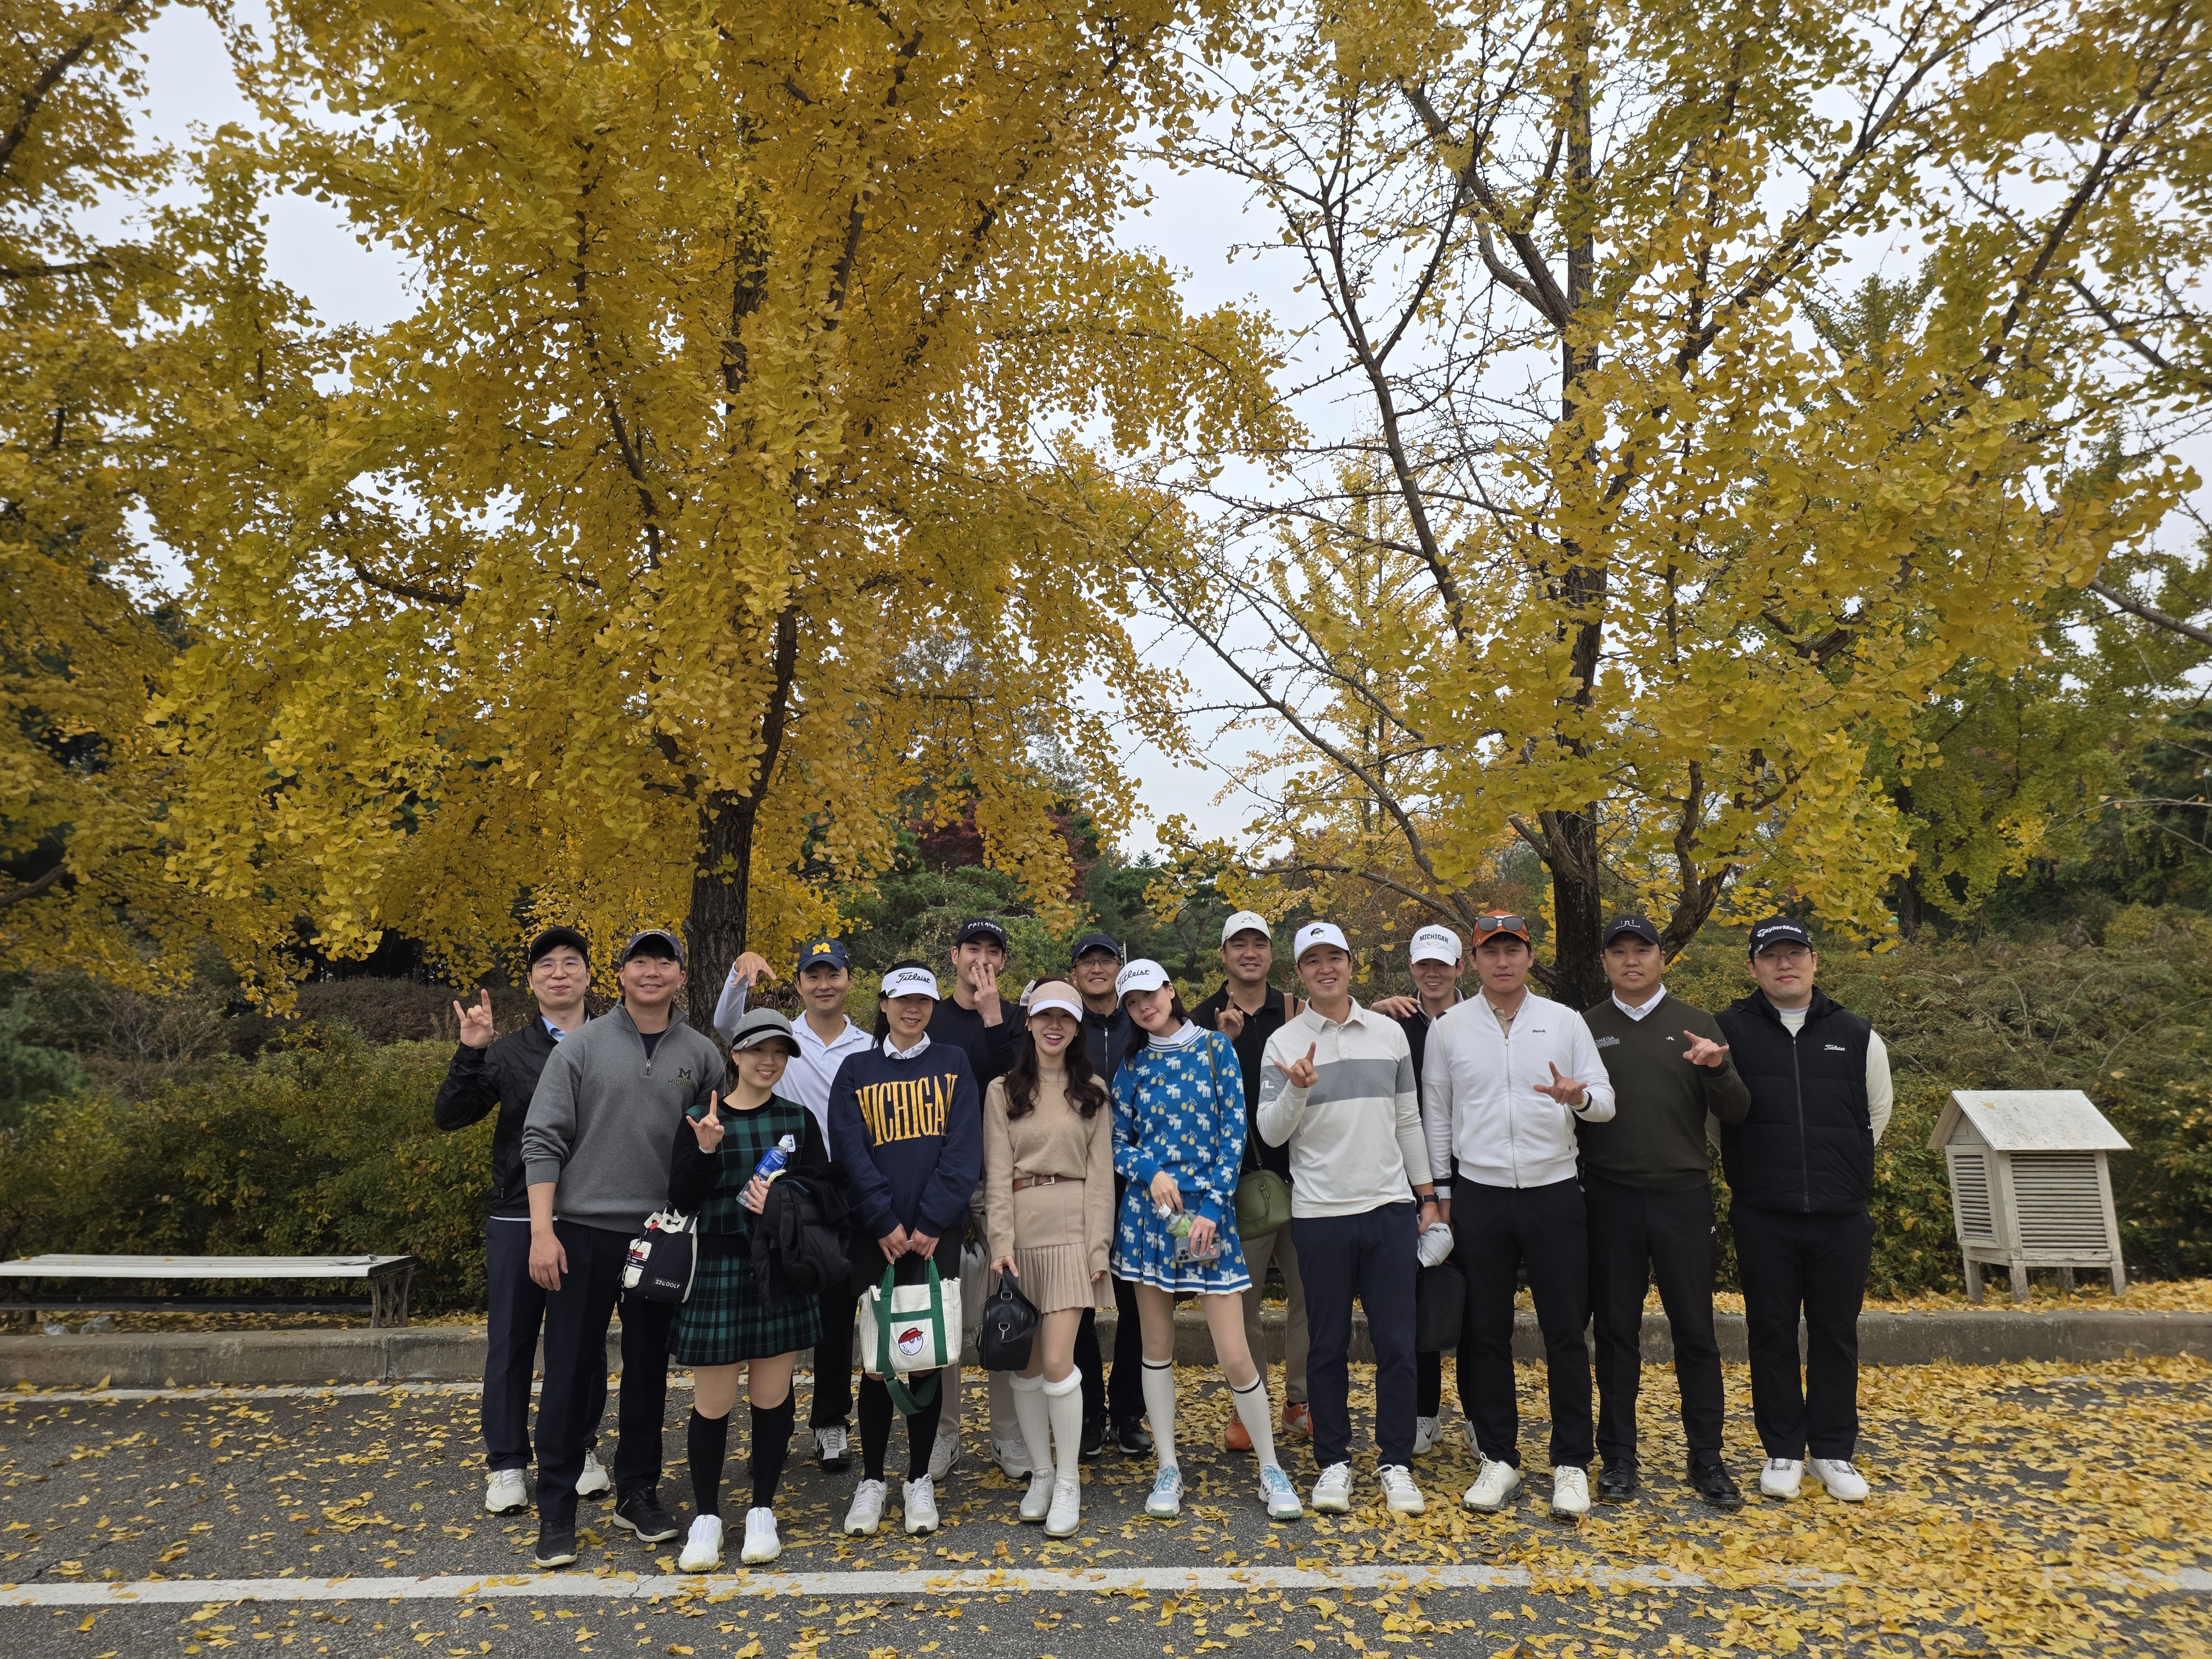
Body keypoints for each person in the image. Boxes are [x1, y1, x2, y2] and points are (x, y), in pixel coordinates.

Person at [520, 928, 726, 1570]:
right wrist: (542, 1230)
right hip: (580, 1232)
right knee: (570, 1372)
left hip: (658, 1236)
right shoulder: (580, 1048)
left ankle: (636, 1491)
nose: (652, 971)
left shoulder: (702, 1054)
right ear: (621, 974)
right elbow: (543, 1138)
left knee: (647, 1373)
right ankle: (555, 1508)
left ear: (680, 977)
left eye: (664, 961)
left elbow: (711, 1144)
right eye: (640, 960)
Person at [1422, 912, 1614, 1521]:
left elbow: (1605, 1103)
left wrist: (1576, 1097)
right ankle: (1500, 1458)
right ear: (1472, 962)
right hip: (1479, 1193)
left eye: (1513, 950)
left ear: (1529, 958)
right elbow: (1436, 1116)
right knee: (1485, 1333)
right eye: (1490, 952)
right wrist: (1442, 1195)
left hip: (1554, 1189)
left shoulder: (1563, 1022)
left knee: (1563, 1330)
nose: (1502, 961)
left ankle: (1571, 1464)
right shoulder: (1450, 1027)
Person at [1111, 957, 1304, 1524]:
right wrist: (1150, 1172)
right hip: (1149, 1219)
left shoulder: (1216, 1050)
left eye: (1151, 993)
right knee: (1155, 1348)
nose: (1145, 1006)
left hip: (1208, 1221)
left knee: (1235, 1352)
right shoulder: (1132, 1063)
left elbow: (1232, 1137)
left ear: (1171, 991)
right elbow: (1118, 1141)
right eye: (1132, 1001)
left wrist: (1213, 1211)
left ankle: (1270, 1466)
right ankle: (1167, 1467)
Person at [434, 926, 613, 1517]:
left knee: (583, 1345)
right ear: (532, 981)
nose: (559, 973)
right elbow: (452, 1115)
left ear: (589, 975)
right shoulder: (508, 1051)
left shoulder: (616, 1043)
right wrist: (472, 1051)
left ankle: (581, 1447)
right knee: (510, 1341)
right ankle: (507, 1463)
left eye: (571, 963)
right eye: (546, 966)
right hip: (516, 1213)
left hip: (591, 1215)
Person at [1256, 923, 1435, 1517]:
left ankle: (1395, 1463)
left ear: (1351, 963)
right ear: (1300, 973)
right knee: (1325, 1346)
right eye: (1312, 961)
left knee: (1397, 1346)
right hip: (1320, 1212)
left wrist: (1427, 1195)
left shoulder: (1388, 1035)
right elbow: (1271, 1132)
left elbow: (1408, 1121)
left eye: (1334, 956)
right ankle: (1332, 1462)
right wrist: (1298, 1090)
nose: (1324, 968)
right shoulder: (1283, 1043)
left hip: (1388, 1208)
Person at [1715, 917, 1893, 1505]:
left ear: (1815, 963)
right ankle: (1783, 1449)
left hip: (1840, 1212)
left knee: (1836, 1333)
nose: (1783, 965)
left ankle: (1834, 1450)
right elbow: (1716, 1117)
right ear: (1753, 967)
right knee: (1769, 1332)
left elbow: (1876, 1114)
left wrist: (1839, 1169)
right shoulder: (1729, 1031)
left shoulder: (1856, 1033)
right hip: (1764, 1210)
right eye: (1771, 957)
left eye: (1795, 954)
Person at [1579, 915, 1752, 1509]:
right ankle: (1618, 1459)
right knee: (1616, 1333)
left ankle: (1707, 1457)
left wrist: (1718, 1068)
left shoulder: (1697, 1025)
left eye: (1642, 951)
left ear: (1661, 958)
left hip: (1682, 1195)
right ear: (1604, 961)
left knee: (1695, 1333)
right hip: (1608, 1198)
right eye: (1619, 951)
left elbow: (1736, 1111)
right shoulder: (1584, 1028)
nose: (1631, 960)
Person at [668, 1009, 836, 1569]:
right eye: (756, 1050)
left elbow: (827, 1193)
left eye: (779, 1052)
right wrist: (707, 1150)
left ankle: (762, 1509)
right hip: (716, 1268)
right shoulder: (700, 1116)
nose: (768, 1061)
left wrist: (786, 1194)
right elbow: (682, 1199)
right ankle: (707, 1517)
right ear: (734, 1055)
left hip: (779, 1269)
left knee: (771, 1398)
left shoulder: (798, 1120)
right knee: (712, 1404)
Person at [828, 963, 984, 1537]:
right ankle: (872, 1479)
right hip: (878, 1241)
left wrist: (931, 1220)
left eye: (922, 1001)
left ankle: (918, 1478)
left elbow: (963, 1149)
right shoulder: (855, 1069)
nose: (912, 1010)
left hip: (932, 1239)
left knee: (924, 1358)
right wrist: (884, 1222)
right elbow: (849, 1152)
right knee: (876, 1362)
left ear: (931, 1007)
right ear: (885, 1003)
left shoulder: (953, 1065)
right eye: (902, 1001)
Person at [719, 938, 874, 1474]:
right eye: (813, 974)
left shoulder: (868, 1046)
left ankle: (830, 1423)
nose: (823, 983)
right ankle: (775, 1427)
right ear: (802, 981)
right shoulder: (784, 1040)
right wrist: (739, 978)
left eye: (833, 974)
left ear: (849, 980)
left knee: (833, 1316)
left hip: (841, 1196)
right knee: (781, 1315)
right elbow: (728, 1026)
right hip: (778, 1196)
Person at [983, 981, 1117, 1537]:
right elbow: (995, 1172)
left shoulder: (1092, 1090)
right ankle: (1040, 1472)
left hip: (1072, 1229)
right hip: (1020, 1230)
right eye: (1044, 1016)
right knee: (1026, 1364)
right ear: (1030, 1023)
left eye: (1065, 1017)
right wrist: (1000, 1244)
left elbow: (1103, 1177)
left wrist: (1097, 1246)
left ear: (1077, 1026)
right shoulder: (1002, 1090)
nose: (1054, 1025)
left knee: (1059, 1362)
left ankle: (1067, 1479)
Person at [1191, 910, 1312, 1450]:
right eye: (1237, 943)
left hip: (1306, 1177)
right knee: (1242, 1306)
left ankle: (1301, 1402)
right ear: (1223, 955)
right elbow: (1189, 1104)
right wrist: (1219, 1045)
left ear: (1271, 953)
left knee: (1312, 1298)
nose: (1248, 952)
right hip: (1237, 1186)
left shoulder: (1298, 1013)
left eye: (1258, 944)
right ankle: (1249, 1406)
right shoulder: (1197, 1020)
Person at [925, 917, 1029, 1481]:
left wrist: (993, 1020)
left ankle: (1007, 1435)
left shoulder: (1017, 1020)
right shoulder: (931, 1017)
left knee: (1003, 1312)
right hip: (942, 1182)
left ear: (1004, 962)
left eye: (994, 951)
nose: (982, 960)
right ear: (955, 954)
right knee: (945, 1317)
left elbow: (1020, 1091)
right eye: (973, 949)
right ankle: (944, 1433)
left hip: (1002, 1185)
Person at [1371, 923, 1467, 1456]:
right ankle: (1424, 1414)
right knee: (1419, 1300)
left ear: (1459, 968)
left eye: (1442, 964)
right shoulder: (1392, 1024)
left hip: (1472, 1175)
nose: (1432, 974)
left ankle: (1477, 1413)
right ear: (1412, 968)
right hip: (1408, 1181)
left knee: (1473, 1298)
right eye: (1423, 965)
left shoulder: (1478, 1019)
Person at [1067, 931, 1149, 1458]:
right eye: (1087, 962)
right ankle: (1090, 1414)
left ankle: (1127, 1412)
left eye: (1106, 960)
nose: (1097, 968)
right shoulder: (1065, 1028)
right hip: (1078, 1178)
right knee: (1080, 1300)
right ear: (1074, 973)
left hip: (1138, 1178)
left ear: (1120, 969)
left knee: (1139, 1300)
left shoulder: (1140, 1022)